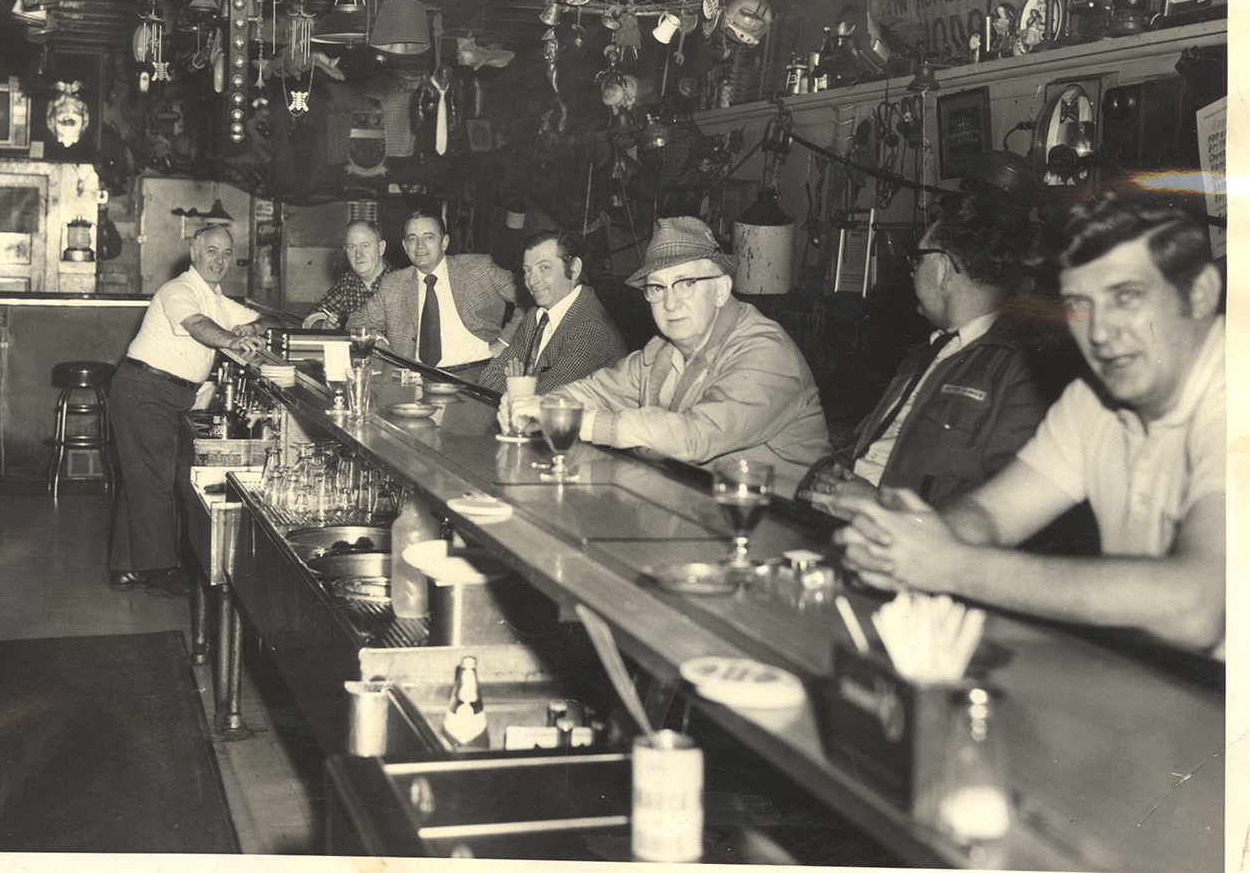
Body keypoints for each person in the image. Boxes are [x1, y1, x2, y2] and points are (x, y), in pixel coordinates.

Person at [836, 193, 1225, 656]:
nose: (1100, 332)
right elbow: (992, 515)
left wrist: (951, 564)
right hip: (1152, 678)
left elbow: (1197, 608)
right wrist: (903, 542)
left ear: (1200, 293)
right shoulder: (1094, 401)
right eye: (1080, 305)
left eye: (1127, 296)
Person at [801, 192, 1075, 514]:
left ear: (944, 269)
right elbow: (865, 448)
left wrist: (879, 505)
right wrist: (826, 474)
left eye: (917, 260)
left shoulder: (1020, 369)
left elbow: (1011, 507)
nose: (913, 272)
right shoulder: (924, 356)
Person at [502, 216, 829, 485]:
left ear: (721, 289)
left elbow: (696, 435)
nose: (671, 303)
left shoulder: (764, 349)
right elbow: (597, 390)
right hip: (694, 505)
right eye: (657, 288)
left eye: (687, 284)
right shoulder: (662, 351)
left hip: (781, 523)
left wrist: (580, 422)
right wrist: (540, 407)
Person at [109, 225, 260, 595]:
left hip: (170, 394)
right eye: (211, 251)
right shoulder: (179, 290)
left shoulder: (214, 296)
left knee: (145, 479)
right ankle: (160, 570)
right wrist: (233, 339)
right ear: (194, 251)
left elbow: (257, 319)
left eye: (226, 254)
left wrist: (247, 326)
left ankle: (127, 568)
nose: (219, 260)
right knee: (155, 481)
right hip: (146, 390)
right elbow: (197, 326)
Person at [346, 209, 518, 378]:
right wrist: (381, 345)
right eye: (412, 239)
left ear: (444, 242)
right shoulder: (393, 284)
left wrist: (504, 341)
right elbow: (357, 320)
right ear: (405, 246)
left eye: (428, 237)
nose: (420, 246)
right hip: (418, 381)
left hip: (481, 374)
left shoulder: (478, 267)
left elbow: (528, 299)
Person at [477, 230, 628, 394]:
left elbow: (545, 402)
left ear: (574, 269)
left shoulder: (590, 328)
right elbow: (488, 377)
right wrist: (523, 389)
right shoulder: (536, 314)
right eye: (527, 270)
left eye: (544, 267)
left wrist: (517, 386)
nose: (532, 281)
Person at [303, 219, 389, 328]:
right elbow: (313, 316)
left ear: (381, 248)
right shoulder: (348, 281)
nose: (358, 254)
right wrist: (322, 325)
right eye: (352, 247)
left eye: (365, 246)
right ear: (345, 250)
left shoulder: (400, 282)